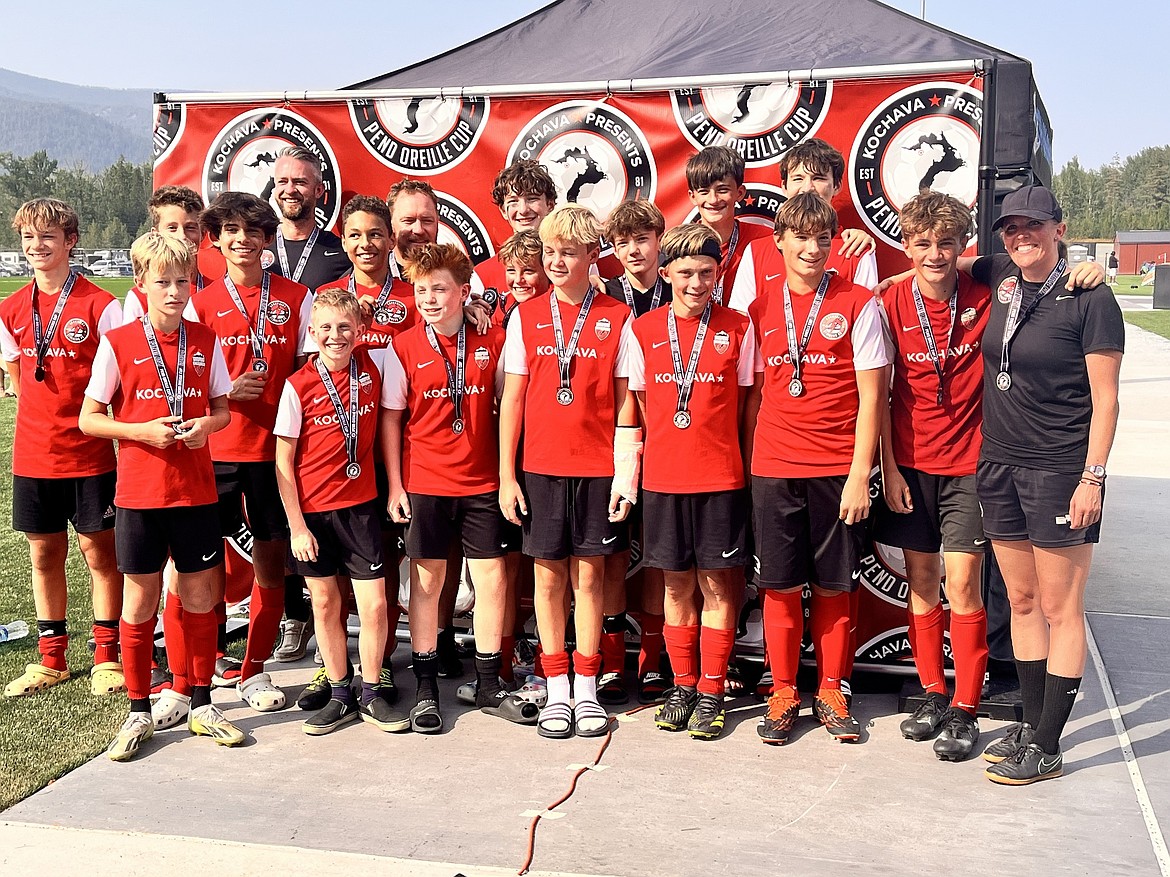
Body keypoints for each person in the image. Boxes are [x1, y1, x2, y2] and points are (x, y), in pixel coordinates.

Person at [969, 186, 1123, 784]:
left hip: (1060, 469)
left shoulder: (1091, 296)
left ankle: (1051, 744)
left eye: (1033, 225)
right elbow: (947, 261)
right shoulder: (1004, 273)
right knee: (1023, 601)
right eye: (1011, 227)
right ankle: (1032, 727)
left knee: (1062, 607)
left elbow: (1107, 400)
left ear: (1060, 228)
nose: (1020, 235)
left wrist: (1094, 476)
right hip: (999, 463)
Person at [81, 231, 243, 758]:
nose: (175, 291)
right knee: (140, 599)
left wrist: (207, 427)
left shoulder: (205, 339)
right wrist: (141, 432)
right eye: (163, 282)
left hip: (194, 493)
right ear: (141, 283)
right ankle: (136, 711)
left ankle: (201, 704)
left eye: (183, 281)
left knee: (200, 598)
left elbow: (222, 409)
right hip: (139, 495)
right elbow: (90, 419)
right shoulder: (120, 340)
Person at [745, 193, 888, 745]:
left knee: (833, 586)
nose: (811, 249)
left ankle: (832, 688)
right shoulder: (761, 308)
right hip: (775, 466)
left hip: (836, 469)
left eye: (821, 239)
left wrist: (860, 474)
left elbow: (873, 398)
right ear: (778, 241)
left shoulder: (857, 302)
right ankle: (783, 691)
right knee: (779, 587)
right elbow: (755, 397)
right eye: (800, 237)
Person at [382, 243, 538, 731]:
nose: (429, 298)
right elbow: (391, 422)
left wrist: (507, 474)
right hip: (426, 483)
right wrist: (395, 486)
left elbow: (507, 406)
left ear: (464, 291)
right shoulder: (402, 347)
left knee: (492, 579)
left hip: (483, 483)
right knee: (427, 583)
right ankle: (426, 687)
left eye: (440, 289)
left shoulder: (492, 338)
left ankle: (490, 682)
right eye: (421, 289)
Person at [499, 205, 638, 739]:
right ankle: (556, 688)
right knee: (548, 578)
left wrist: (625, 478)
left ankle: (586, 686)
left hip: (597, 470)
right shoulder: (526, 315)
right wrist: (508, 476)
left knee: (591, 577)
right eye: (549, 252)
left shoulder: (617, 316)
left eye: (569, 253)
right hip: (540, 469)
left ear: (591, 256)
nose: (556, 261)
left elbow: (629, 404)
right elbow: (512, 400)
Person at [621, 223, 756, 739]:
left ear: (718, 273)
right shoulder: (643, 329)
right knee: (676, 584)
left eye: (706, 272)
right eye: (685, 273)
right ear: (666, 273)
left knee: (718, 585)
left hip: (721, 478)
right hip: (664, 479)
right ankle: (683, 683)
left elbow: (747, 407)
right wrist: (628, 479)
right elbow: (635, 409)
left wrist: (743, 473)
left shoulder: (738, 327)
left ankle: (713, 690)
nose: (696, 283)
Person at [872, 191, 990, 761]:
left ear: (962, 245)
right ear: (906, 245)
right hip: (912, 466)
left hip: (969, 465)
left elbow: (1024, 265)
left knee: (963, 585)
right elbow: (879, 390)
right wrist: (888, 469)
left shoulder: (990, 293)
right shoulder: (889, 300)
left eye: (946, 243)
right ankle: (933, 694)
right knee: (922, 581)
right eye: (922, 244)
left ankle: (968, 707)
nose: (935, 254)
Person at [188, 191, 313, 714]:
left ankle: (256, 669)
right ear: (216, 239)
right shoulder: (199, 301)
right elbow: (184, 378)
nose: (243, 240)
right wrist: (223, 392)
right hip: (215, 450)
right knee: (204, 563)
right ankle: (209, 660)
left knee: (270, 559)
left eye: (253, 232)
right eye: (232, 231)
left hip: (273, 452)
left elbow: (309, 368)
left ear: (267, 239)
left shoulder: (296, 296)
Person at [0, 198, 123, 699]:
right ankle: (51, 660)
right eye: (28, 238)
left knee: (100, 556)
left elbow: (121, 383)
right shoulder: (9, 308)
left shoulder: (101, 305)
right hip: (32, 455)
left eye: (47, 237)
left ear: (71, 241)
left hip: (89, 455)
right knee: (44, 555)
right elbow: (16, 377)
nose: (36, 247)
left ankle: (106, 656)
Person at [273, 288, 403, 735]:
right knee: (326, 604)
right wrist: (296, 527)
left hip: (361, 511)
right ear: (311, 332)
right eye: (325, 328)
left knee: (375, 605)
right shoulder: (299, 385)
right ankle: (341, 691)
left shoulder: (372, 369)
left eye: (345, 327)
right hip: (312, 518)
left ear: (361, 331)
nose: (336, 336)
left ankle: (370, 693)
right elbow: (283, 462)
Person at [596, 199, 671, 706]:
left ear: (659, 240)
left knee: (663, 559)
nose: (634, 250)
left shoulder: (684, 288)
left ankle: (653, 659)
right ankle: (612, 660)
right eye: (623, 242)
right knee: (612, 555)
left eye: (643, 239)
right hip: (615, 441)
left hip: (672, 440)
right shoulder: (605, 298)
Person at [685, 146, 771, 304]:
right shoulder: (680, 245)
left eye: (722, 190)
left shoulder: (766, 239)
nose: (713, 200)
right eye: (704, 191)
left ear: (740, 193)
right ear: (692, 196)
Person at [263, 146, 351, 292]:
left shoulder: (341, 252)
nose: (290, 190)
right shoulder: (256, 247)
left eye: (300, 182)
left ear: (318, 190)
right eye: (282, 182)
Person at [471, 160, 558, 302]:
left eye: (532, 199)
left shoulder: (571, 264)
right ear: (503, 210)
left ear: (550, 204)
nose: (523, 210)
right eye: (513, 201)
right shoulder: (483, 275)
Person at [123, 186, 209, 324]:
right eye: (172, 228)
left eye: (190, 227)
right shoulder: (140, 296)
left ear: (203, 233)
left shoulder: (217, 292)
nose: (181, 236)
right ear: (155, 234)